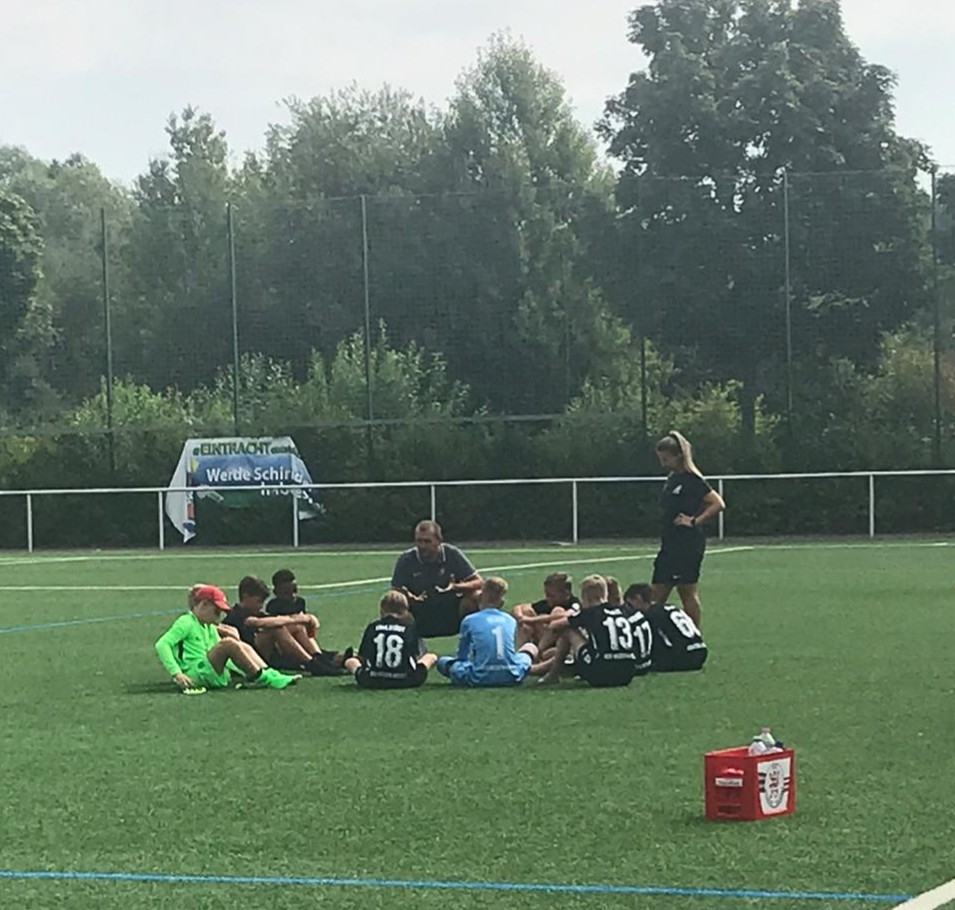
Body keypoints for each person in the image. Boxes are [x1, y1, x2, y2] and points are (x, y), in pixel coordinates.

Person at [154, 584, 299, 691]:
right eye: (217, 611)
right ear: (204, 604)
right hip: (195, 674)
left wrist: (240, 666)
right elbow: (162, 644)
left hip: (210, 673)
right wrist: (177, 674)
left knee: (239, 644)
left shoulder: (209, 626)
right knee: (228, 644)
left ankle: (269, 673)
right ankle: (261, 678)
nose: (219, 616)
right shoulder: (186, 622)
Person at [651, 431, 725, 628]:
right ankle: (651, 636)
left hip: (687, 544)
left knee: (687, 592)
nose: (663, 463)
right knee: (656, 594)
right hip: (669, 543)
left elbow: (718, 504)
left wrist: (694, 521)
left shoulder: (692, 479)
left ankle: (693, 636)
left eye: (666, 459)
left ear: (678, 456)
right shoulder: (672, 479)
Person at [529, 574, 651, 688]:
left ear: (586, 598)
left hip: (600, 674)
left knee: (568, 630)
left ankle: (552, 674)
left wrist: (540, 647)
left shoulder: (590, 613)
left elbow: (556, 625)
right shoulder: (621, 612)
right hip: (627, 674)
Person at [223, 576, 342, 676]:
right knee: (275, 629)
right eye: (259, 601)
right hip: (249, 658)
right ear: (246, 596)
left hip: (262, 653)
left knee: (297, 628)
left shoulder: (256, 612)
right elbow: (258, 623)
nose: (261, 606)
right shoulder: (236, 614)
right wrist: (300, 618)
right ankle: (312, 664)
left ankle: (319, 658)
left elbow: (273, 619)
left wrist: (303, 619)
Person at [436, 576, 538, 687]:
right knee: (530, 647)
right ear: (502, 602)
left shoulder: (469, 620)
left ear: (480, 597)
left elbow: (462, 656)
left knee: (443, 662)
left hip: (478, 677)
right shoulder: (510, 620)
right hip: (512, 675)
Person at [390, 520, 483, 638]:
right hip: (419, 612)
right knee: (391, 603)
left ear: (439, 540)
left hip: (451, 610)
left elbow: (479, 582)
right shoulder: (406, 559)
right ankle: (404, 644)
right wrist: (408, 596)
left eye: (427, 541)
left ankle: (472, 641)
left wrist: (456, 587)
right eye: (419, 541)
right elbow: (395, 590)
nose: (422, 546)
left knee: (477, 596)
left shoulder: (452, 554)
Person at [343, 590, 438, 689]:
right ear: (405, 610)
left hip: (371, 680)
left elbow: (364, 656)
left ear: (382, 609)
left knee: (350, 661)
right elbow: (415, 655)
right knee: (431, 657)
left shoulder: (373, 627)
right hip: (408, 680)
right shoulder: (409, 628)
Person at [624, 582, 708, 672]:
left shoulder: (651, 616)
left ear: (638, 599)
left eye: (629, 604)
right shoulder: (671, 608)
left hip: (686, 657)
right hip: (701, 651)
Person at [513, 572, 580, 653]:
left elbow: (567, 614)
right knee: (526, 613)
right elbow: (519, 607)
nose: (548, 598)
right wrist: (520, 616)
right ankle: (519, 652)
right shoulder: (548, 603)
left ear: (566, 593)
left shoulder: (574, 603)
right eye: (547, 594)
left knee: (557, 612)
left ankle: (538, 652)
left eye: (552, 595)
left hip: (561, 644)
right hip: (544, 639)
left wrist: (531, 620)